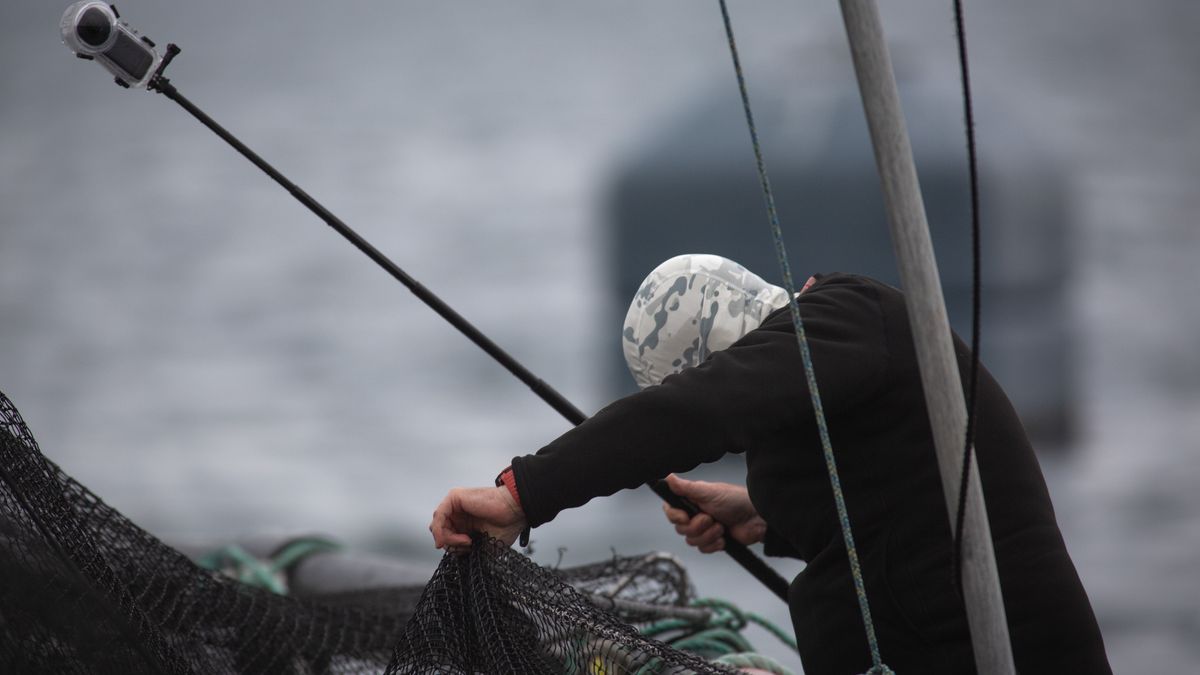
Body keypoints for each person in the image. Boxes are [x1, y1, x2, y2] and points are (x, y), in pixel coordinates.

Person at [430, 254, 1111, 674]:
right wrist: (763, 517)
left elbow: (697, 410)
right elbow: (901, 496)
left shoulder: (845, 315)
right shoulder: (849, 361)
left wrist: (526, 491)